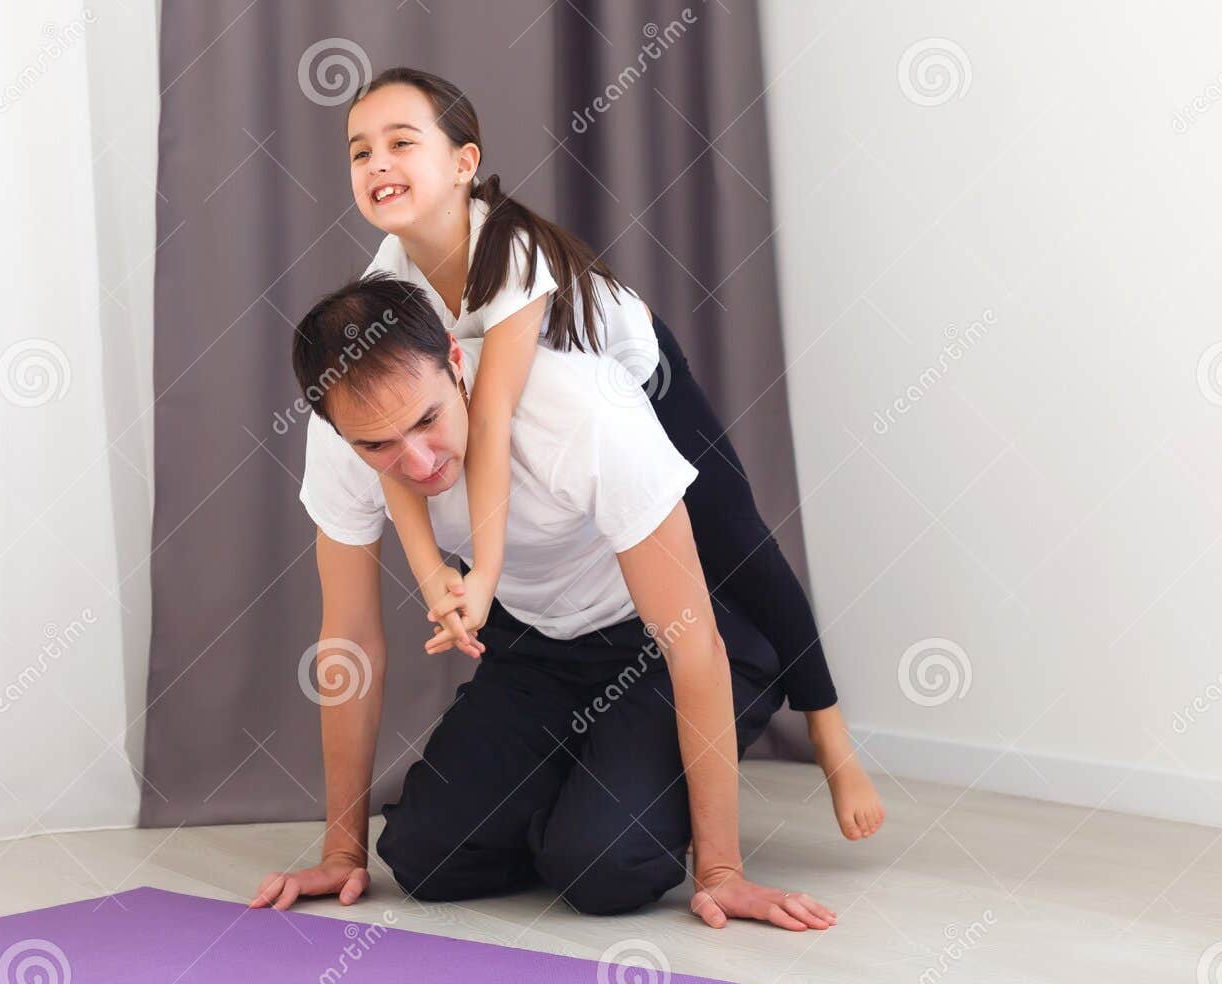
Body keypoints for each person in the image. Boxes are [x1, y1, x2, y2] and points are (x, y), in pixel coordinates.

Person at [340, 67, 883, 840]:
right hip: (547, 415)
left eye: (401, 142)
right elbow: (393, 447)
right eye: (360, 152)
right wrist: (436, 576)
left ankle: (830, 736)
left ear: (464, 162)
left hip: (639, 379)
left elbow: (491, 419)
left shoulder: (511, 247)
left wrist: (483, 574)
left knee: (735, 540)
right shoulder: (385, 288)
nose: (377, 164)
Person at [250, 273, 858, 929]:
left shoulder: (581, 408)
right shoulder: (343, 439)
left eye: (427, 420)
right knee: (426, 856)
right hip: (538, 650)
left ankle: (601, 809)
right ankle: (586, 788)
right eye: (378, 445)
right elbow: (352, 637)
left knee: (602, 867)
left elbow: (693, 638)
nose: (419, 461)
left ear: (457, 364)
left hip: (678, 639)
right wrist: (342, 849)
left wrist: (720, 870)